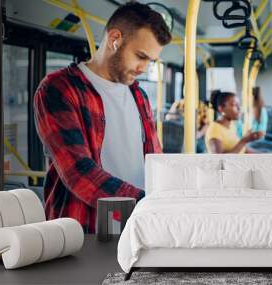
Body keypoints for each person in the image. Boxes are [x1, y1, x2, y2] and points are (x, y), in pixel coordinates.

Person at [33, 2, 172, 233]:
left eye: (150, 61)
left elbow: (154, 157)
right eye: (140, 56)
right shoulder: (60, 89)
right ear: (115, 38)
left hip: (139, 227)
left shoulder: (139, 95)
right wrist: (146, 204)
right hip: (87, 230)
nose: (144, 69)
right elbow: (78, 172)